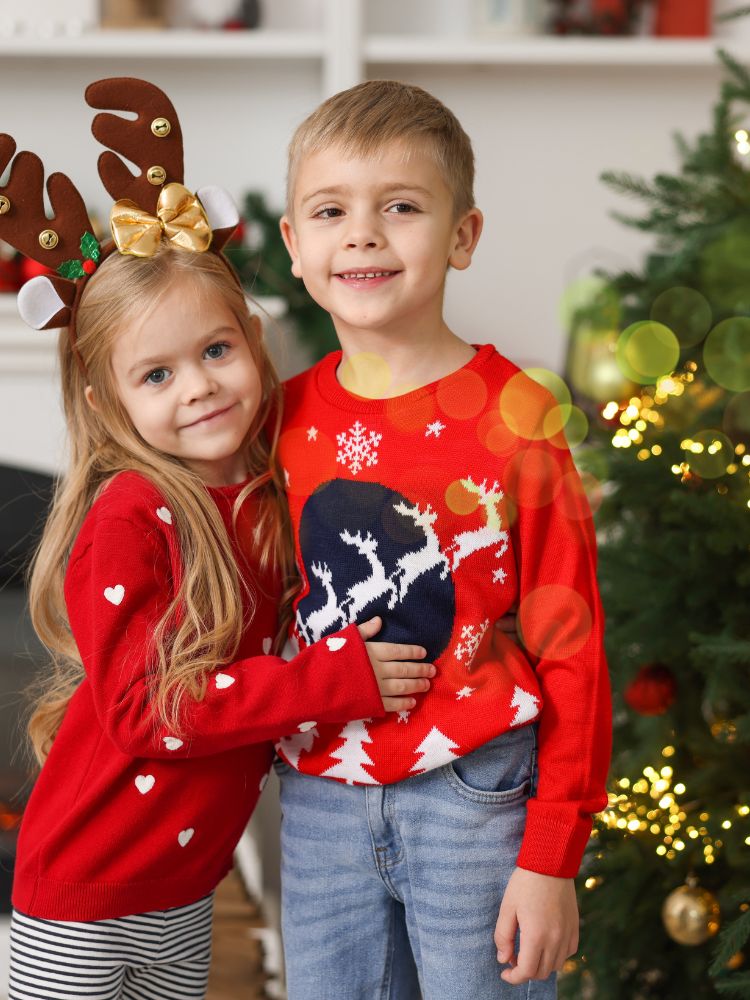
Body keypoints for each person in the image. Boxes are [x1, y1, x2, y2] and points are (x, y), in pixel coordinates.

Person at [1, 77, 433, 1000]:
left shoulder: (267, 489)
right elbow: (154, 710)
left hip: (186, 891)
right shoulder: (130, 517)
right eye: (155, 374)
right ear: (106, 402)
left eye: (214, 351)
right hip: (82, 898)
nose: (196, 386)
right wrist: (334, 682)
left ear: (252, 337)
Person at [274, 79, 613, 999]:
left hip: (476, 793)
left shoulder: (521, 418)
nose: (364, 234)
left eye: (402, 207)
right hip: (321, 797)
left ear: (463, 236)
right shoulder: (280, 421)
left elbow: (572, 645)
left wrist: (551, 856)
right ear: (295, 247)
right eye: (332, 210)